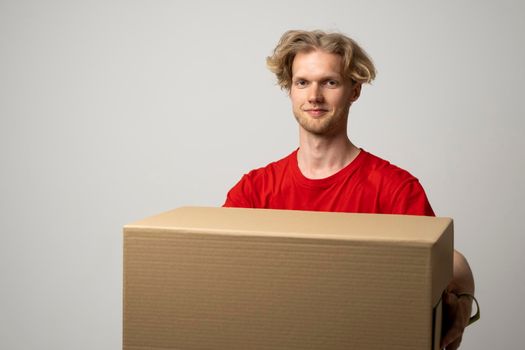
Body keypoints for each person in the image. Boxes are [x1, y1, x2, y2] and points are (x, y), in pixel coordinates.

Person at [224, 29, 476, 349]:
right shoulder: (255, 189)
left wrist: (464, 284)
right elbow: (221, 265)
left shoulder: (394, 187)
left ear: (354, 90)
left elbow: (441, 257)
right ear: (290, 90)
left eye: (330, 82)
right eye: (302, 82)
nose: (314, 95)